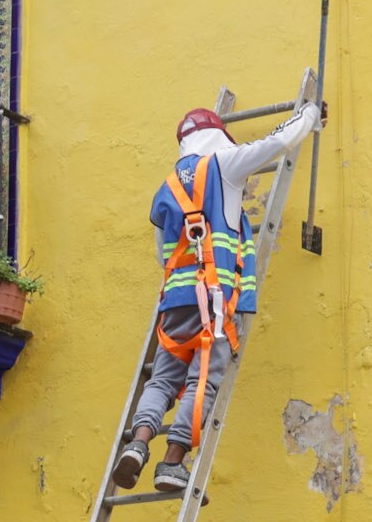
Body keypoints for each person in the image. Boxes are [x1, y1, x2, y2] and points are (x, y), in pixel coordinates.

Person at [112, 95, 324, 495]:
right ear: (216, 135)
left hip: (174, 304)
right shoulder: (223, 165)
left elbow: (163, 256)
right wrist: (309, 114)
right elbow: (277, 143)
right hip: (214, 302)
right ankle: (172, 462)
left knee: (162, 379)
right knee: (203, 379)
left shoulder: (165, 189)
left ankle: (138, 444)